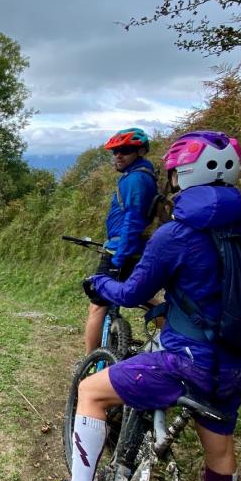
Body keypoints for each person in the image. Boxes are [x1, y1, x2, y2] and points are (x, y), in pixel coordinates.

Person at [46, 130, 241, 481]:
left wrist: (102, 282)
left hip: (185, 362)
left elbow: (128, 293)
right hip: (236, 364)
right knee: (219, 452)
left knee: (90, 391)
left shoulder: (174, 235)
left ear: (180, 176)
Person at [84, 127, 158, 355]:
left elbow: (133, 220)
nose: (118, 155)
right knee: (146, 297)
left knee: (97, 304)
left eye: (125, 150)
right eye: (115, 151)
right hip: (137, 248)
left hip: (123, 249)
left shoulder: (136, 180)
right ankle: (173, 342)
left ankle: (88, 361)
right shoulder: (142, 176)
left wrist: (118, 256)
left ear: (141, 151)